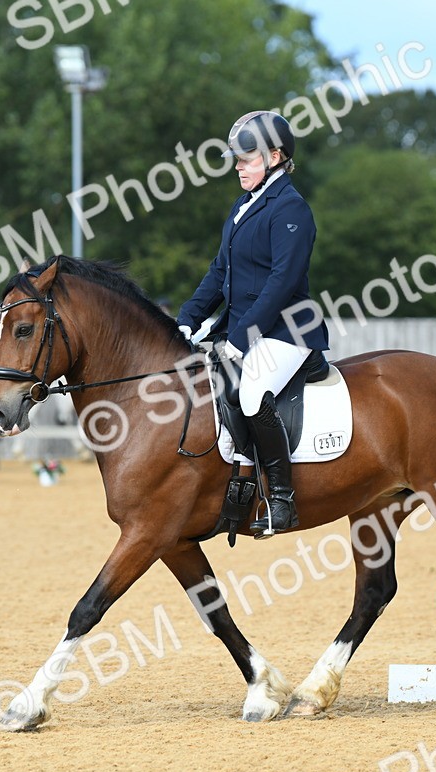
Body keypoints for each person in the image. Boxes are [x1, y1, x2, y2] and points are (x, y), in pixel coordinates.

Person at [176, 110, 329, 534]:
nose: (238, 166)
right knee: (215, 389)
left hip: (288, 329)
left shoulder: (291, 209)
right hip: (246, 328)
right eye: (237, 159)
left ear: (275, 156)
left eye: (246, 159)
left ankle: (282, 498)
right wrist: (187, 320)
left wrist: (242, 337)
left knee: (251, 392)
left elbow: (282, 282)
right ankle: (241, 485)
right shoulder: (243, 206)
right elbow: (218, 271)